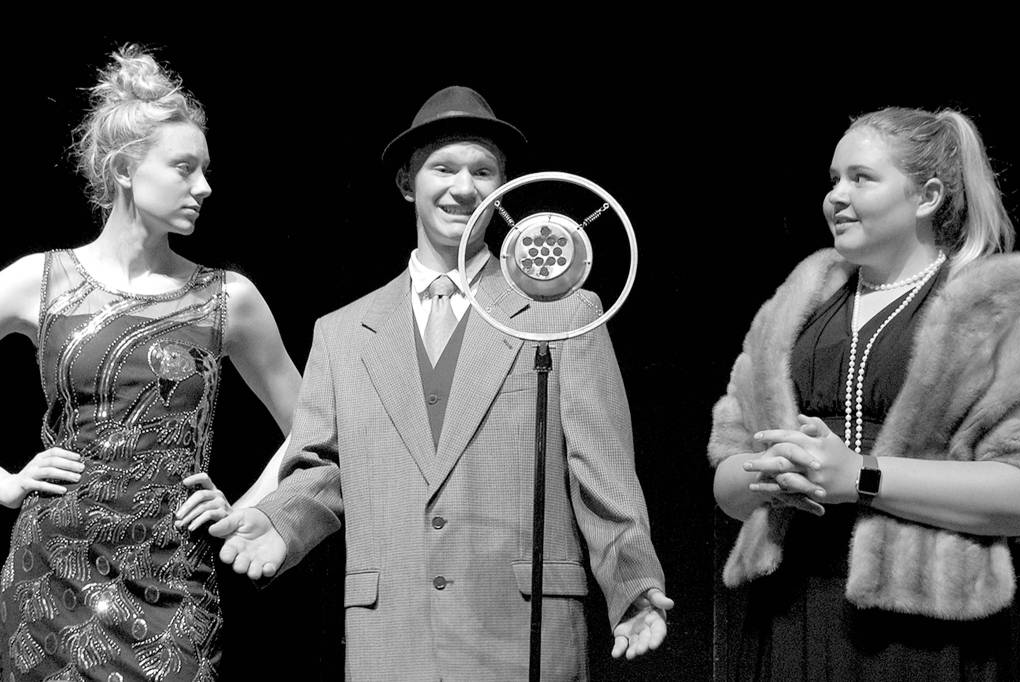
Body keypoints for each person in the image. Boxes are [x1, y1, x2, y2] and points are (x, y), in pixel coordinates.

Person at [209, 85, 672, 680]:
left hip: (522, 632)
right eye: (443, 168)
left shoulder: (564, 312)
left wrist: (632, 587)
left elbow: (601, 468)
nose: (463, 187)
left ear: (504, 189)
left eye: (483, 171)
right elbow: (321, 468)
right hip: (392, 636)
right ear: (408, 183)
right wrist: (281, 522)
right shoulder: (344, 333)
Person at [0, 45, 300, 680]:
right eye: (185, 168)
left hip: (173, 578)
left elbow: (313, 425)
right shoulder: (40, 281)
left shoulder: (228, 298)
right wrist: (4, 483)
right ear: (127, 169)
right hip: (52, 573)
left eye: (206, 169)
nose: (205, 186)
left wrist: (250, 506)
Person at [709, 106, 1020, 680]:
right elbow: (727, 485)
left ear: (926, 197)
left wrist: (860, 477)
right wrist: (769, 474)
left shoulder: (995, 312)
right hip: (788, 614)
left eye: (861, 177)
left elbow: (1019, 493)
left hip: (925, 632)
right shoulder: (791, 310)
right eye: (833, 179)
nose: (836, 195)